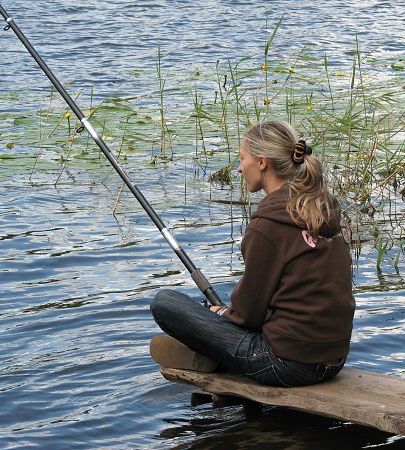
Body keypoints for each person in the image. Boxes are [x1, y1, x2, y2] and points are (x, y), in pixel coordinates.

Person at [150, 120, 355, 387]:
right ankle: (216, 352)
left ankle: (213, 354)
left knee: (165, 303)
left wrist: (220, 314)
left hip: (286, 364)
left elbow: (248, 315)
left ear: (261, 162)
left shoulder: (267, 226)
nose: (238, 168)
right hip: (333, 360)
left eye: (242, 158)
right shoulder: (322, 209)